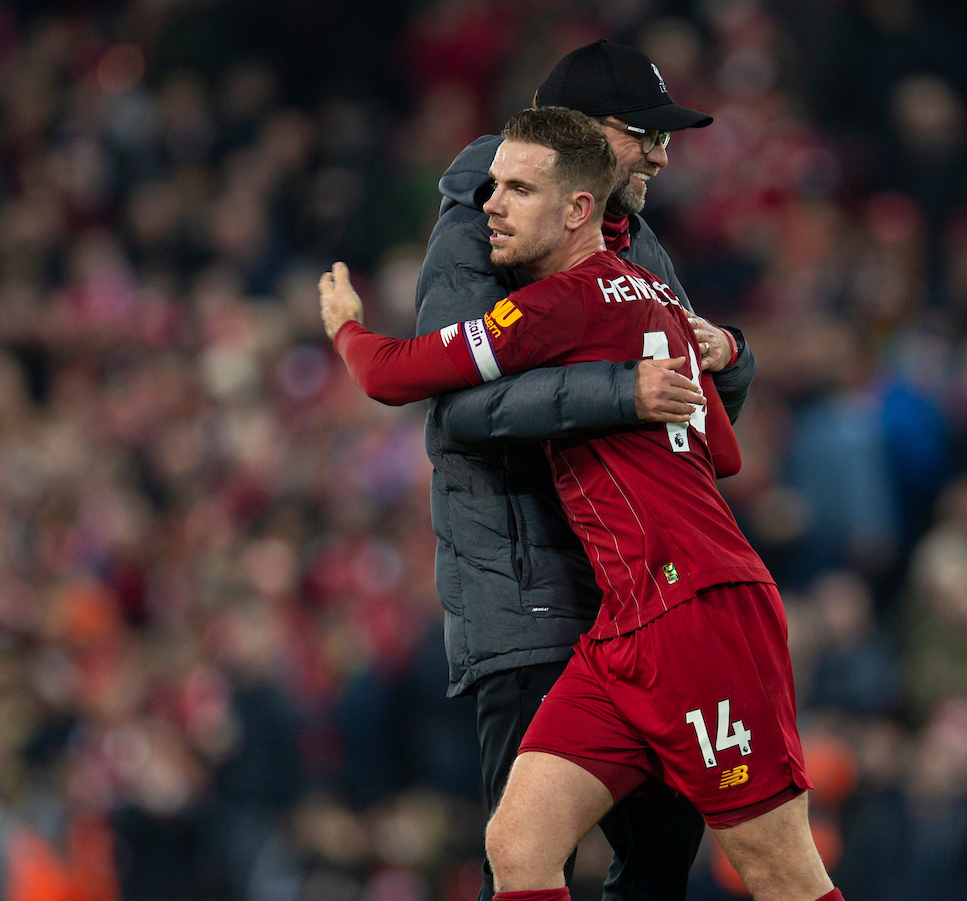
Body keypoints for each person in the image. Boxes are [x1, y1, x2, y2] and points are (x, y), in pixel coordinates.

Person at [320, 106, 842, 901]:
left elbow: (394, 374)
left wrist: (347, 330)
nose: (489, 204)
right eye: (492, 186)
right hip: (624, 623)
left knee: (779, 871)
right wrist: (703, 358)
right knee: (519, 844)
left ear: (576, 209)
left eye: (518, 190)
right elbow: (724, 452)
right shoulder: (655, 299)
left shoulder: (567, 303)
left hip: (699, 612)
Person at [413, 40, 756, 901]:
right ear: (581, 136)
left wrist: (733, 358)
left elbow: (688, 432)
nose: (663, 154)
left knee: (667, 839)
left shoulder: (634, 241)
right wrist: (621, 391)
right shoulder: (474, 228)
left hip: (637, 598)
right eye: (645, 133)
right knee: (529, 859)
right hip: (529, 598)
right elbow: (455, 406)